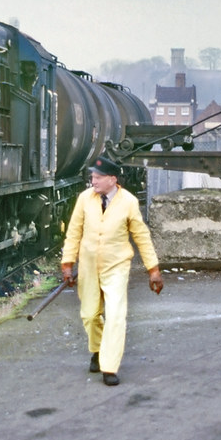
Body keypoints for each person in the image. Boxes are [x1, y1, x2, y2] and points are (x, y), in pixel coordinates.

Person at [61, 155, 164, 386]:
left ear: (113, 179)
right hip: (88, 265)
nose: (93, 181)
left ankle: (109, 367)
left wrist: (153, 269)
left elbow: (141, 236)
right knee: (89, 314)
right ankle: (98, 349)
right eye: (92, 177)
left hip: (116, 266)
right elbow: (74, 232)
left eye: (98, 177)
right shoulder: (84, 199)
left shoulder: (128, 201)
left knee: (116, 315)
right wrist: (68, 264)